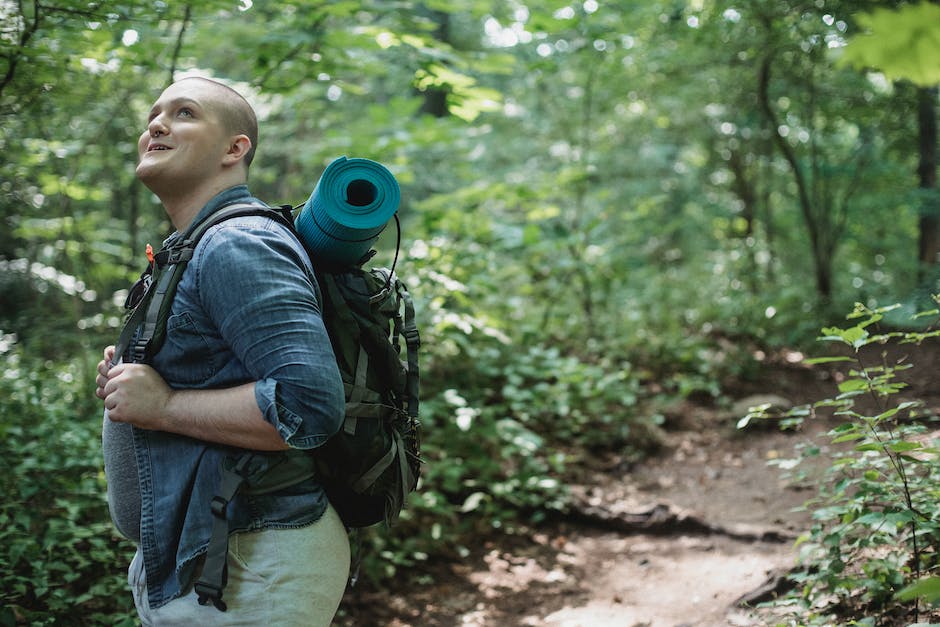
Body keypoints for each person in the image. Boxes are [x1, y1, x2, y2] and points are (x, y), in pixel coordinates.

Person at [95, 76, 350, 625]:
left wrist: (163, 407)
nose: (156, 125)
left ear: (236, 149)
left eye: (184, 113)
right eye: (153, 115)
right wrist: (132, 391)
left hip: (250, 561)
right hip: (212, 557)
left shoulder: (235, 243)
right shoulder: (194, 244)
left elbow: (308, 406)